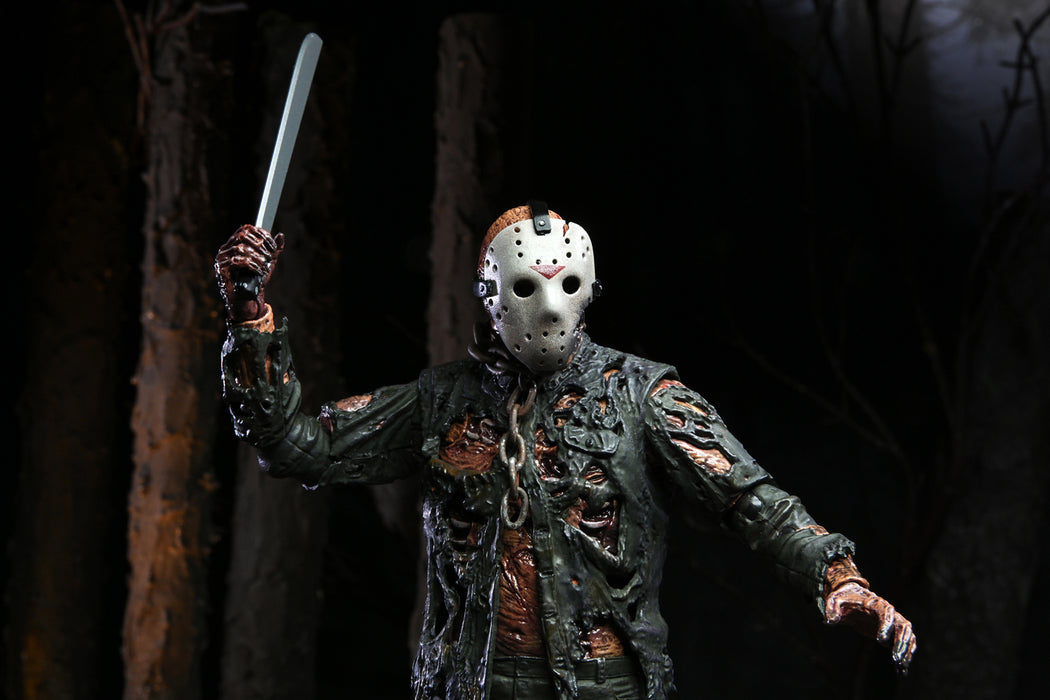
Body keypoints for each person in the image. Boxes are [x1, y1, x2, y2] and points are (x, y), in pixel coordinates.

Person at [215, 202, 916, 700]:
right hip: (467, 683)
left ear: (589, 291)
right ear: (489, 294)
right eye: (526, 287)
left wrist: (835, 576)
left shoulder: (640, 396)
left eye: (565, 285)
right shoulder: (440, 401)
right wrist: (251, 320)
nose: (548, 309)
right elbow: (298, 446)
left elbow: (747, 497)